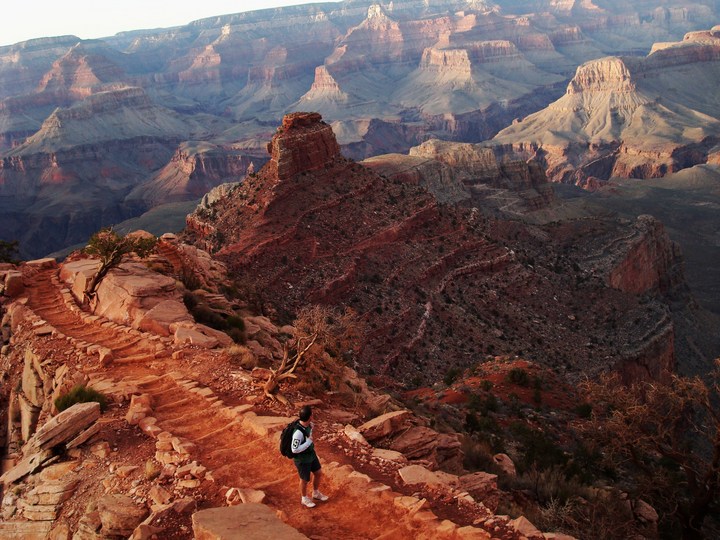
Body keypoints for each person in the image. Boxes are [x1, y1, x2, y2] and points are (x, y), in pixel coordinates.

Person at [292, 405, 329, 508]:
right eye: (312, 414)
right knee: (304, 480)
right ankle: (304, 498)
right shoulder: (298, 433)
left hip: (311, 455)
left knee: (318, 473)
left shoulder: (309, 425)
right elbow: (294, 449)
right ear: (309, 417)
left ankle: (315, 493)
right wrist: (308, 442)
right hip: (302, 459)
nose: (313, 415)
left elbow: (309, 432)